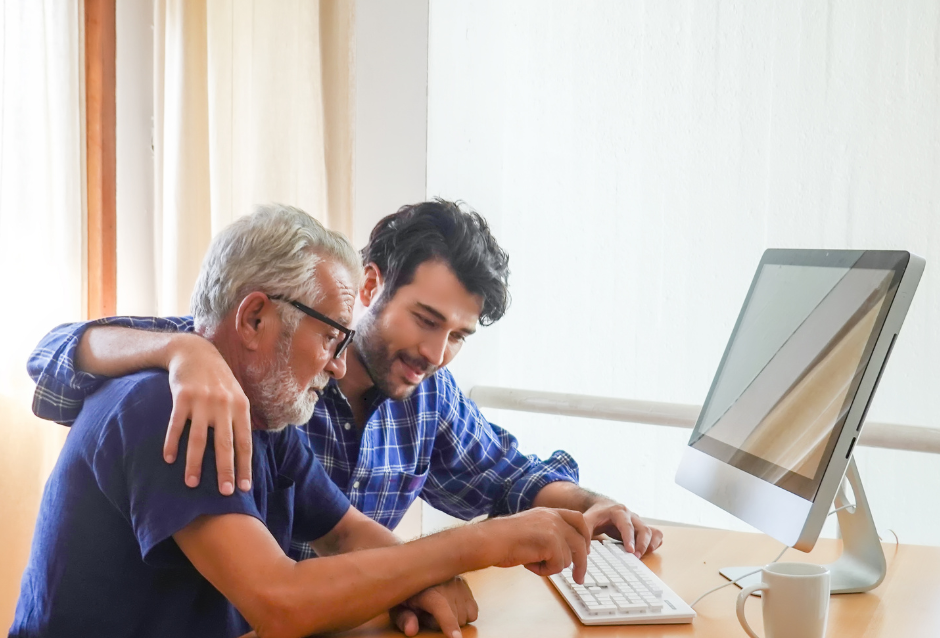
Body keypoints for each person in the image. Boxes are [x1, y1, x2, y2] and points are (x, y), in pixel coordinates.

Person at [0, 205, 592, 638]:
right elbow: (279, 602)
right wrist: (477, 543)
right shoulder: (165, 409)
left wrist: (419, 582)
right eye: (332, 338)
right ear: (255, 318)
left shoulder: (268, 418)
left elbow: (344, 531)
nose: (339, 367)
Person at [28, 200, 662, 561]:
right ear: (369, 286)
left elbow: (504, 477)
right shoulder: (250, 368)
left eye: (459, 337)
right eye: (425, 320)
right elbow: (53, 360)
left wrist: (592, 508)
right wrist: (180, 349)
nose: (437, 353)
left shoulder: (426, 394)